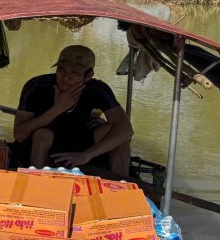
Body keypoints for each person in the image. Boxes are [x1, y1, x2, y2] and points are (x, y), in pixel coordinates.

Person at [12, 44, 133, 177]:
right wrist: (57, 109)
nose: (65, 77)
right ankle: (39, 181)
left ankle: (121, 183)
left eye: (74, 73)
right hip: (41, 144)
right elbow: (19, 135)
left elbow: (126, 129)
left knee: (118, 134)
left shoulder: (97, 89)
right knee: (43, 135)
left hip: (79, 143)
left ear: (89, 76)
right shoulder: (37, 86)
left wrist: (87, 155)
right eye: (61, 70)